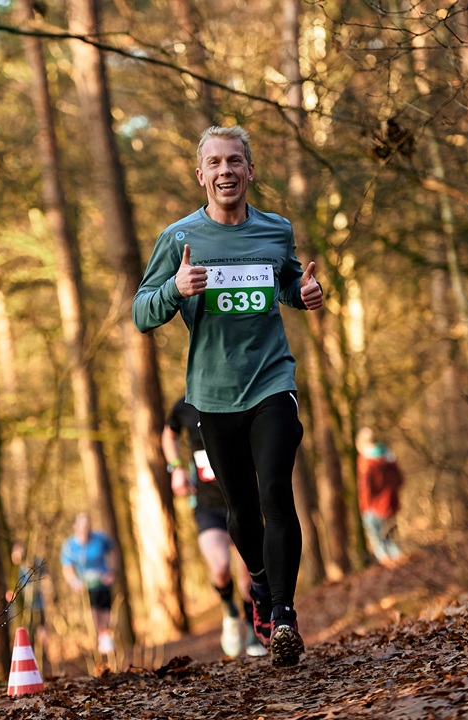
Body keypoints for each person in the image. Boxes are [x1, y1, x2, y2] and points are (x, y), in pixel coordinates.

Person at [132, 125, 325, 667]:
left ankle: (283, 616)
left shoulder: (275, 229)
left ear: (250, 170)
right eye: (214, 163)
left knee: (275, 495)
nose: (225, 171)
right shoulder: (179, 238)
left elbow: (287, 282)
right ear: (201, 175)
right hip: (213, 398)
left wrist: (303, 292)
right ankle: (260, 584)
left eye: (235, 161)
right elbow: (141, 312)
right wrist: (175, 289)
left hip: (271, 381)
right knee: (241, 513)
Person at [163, 395, 266, 658]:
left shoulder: (235, 394)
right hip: (208, 505)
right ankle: (229, 611)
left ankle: (252, 628)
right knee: (220, 568)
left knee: (247, 578)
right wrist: (175, 468)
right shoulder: (184, 404)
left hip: (242, 499)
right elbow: (169, 433)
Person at [60, 512, 118, 658]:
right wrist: (74, 582)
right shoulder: (70, 546)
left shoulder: (100, 539)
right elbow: (67, 568)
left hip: (103, 581)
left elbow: (114, 552)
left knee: (106, 611)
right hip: (86, 586)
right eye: (82, 526)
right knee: (92, 612)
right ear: (75, 527)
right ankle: (99, 639)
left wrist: (112, 572)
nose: (85, 529)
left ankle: (105, 636)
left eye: (87, 526)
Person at [355, 428, 405, 566]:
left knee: (379, 541)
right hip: (391, 503)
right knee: (388, 538)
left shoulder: (366, 462)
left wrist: (364, 507)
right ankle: (400, 562)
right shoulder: (389, 457)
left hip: (373, 507)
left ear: (361, 444)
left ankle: (393, 565)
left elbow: (366, 488)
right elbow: (400, 480)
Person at [7, 541, 49, 666]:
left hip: (37, 605)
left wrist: (45, 589)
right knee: (28, 632)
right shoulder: (17, 570)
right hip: (26, 608)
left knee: (41, 630)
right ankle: (30, 659)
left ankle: (43, 658)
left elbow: (45, 577)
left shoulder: (34, 563)